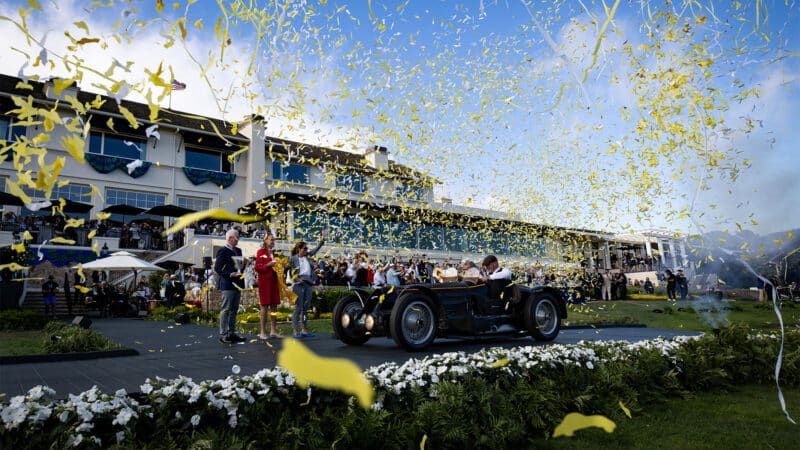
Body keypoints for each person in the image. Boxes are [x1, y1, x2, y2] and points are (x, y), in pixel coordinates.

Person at [289, 229, 329, 338]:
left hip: (309, 283)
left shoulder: (308, 257)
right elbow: (290, 273)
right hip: (299, 284)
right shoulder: (293, 259)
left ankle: (304, 329)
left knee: (306, 308)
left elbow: (317, 248)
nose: (306, 250)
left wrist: (323, 237)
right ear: (299, 249)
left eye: (307, 248)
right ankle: (295, 330)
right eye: (304, 248)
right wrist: (297, 280)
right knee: (298, 307)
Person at [215, 229, 246, 343]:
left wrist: (244, 265)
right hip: (228, 283)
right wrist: (229, 274)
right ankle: (223, 334)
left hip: (237, 283)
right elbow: (217, 269)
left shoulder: (238, 250)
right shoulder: (223, 251)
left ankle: (231, 332)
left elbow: (239, 268)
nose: (238, 239)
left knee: (234, 309)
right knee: (226, 309)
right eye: (237, 237)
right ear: (230, 238)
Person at [254, 233, 281, 339]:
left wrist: (282, 266)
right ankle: (263, 331)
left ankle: (273, 330)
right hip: (265, 282)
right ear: (265, 241)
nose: (272, 241)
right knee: (264, 306)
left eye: (273, 240)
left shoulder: (275, 253)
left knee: (274, 306)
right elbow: (258, 268)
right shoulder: (261, 252)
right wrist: (268, 265)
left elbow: (278, 267)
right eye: (271, 239)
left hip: (274, 281)